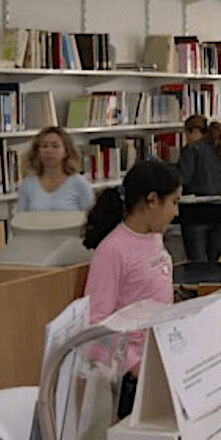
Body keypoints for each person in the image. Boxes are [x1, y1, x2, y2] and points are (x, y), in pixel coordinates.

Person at [82, 161, 182, 418]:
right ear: (151, 200)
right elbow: (96, 324)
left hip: (163, 360)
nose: (176, 212)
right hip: (135, 378)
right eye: (173, 202)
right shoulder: (112, 251)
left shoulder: (154, 238)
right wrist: (134, 366)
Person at [176, 114, 221, 262]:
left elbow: (183, 178)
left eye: (186, 134)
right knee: (215, 264)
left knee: (197, 264)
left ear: (194, 132)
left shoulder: (192, 149)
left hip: (197, 212)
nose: (186, 138)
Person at [16, 126, 95, 211]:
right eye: (44, 146)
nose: (49, 150)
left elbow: (92, 219)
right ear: (37, 151)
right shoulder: (27, 185)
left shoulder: (80, 184)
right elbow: (21, 219)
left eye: (55, 146)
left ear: (66, 151)